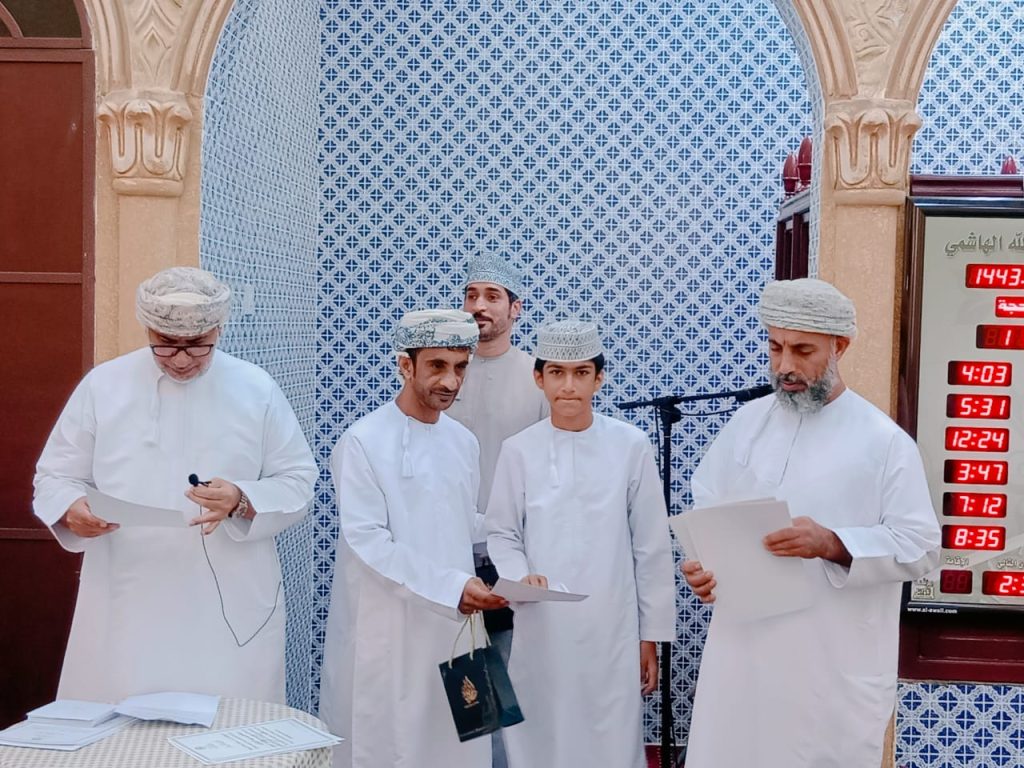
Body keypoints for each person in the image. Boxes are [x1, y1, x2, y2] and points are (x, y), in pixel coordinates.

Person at [681, 278, 941, 768]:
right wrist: (701, 568)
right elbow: (707, 514)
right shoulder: (746, 425)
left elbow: (921, 545)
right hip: (741, 663)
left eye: (803, 351)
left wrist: (833, 543)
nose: (785, 366)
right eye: (776, 347)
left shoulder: (884, 442)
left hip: (828, 669)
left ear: (840, 346)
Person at [33, 266, 317, 704]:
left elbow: (298, 481)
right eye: (166, 344)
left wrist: (242, 500)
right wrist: (72, 508)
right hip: (128, 592)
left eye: (198, 344)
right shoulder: (103, 385)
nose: (182, 359)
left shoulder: (256, 388)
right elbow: (55, 475)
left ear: (219, 329)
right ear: (147, 329)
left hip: (226, 600)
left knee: (227, 723)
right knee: (122, 720)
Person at [319, 308, 508, 768]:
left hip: (457, 625)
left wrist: (517, 533)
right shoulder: (362, 441)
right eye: (437, 366)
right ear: (406, 365)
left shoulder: (463, 441)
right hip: (389, 627)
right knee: (391, 746)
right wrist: (451, 587)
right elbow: (369, 542)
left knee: (460, 746)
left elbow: (463, 522)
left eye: (460, 367)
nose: (451, 381)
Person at [485, 319, 676, 768]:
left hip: (611, 627)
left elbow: (651, 546)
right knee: (540, 733)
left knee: (610, 736)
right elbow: (502, 531)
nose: (568, 386)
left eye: (580, 373)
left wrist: (650, 636)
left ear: (598, 378)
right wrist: (519, 576)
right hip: (542, 624)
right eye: (556, 373)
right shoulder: (519, 450)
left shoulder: (630, 446)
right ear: (539, 378)